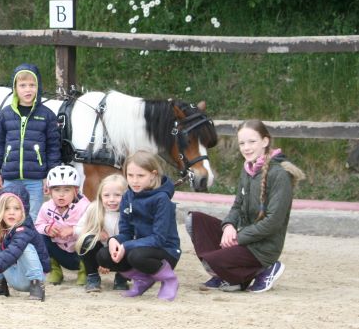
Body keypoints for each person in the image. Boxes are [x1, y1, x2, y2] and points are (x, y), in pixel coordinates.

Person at [187, 120, 305, 293]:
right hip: (244, 239)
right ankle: (233, 278)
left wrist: (238, 238)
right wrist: (228, 226)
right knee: (195, 220)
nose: (246, 148)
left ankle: (265, 269)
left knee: (212, 259)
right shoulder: (247, 170)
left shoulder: (280, 175)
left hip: (262, 248)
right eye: (242, 143)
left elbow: (273, 222)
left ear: (265, 142)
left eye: (252, 142)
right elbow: (237, 207)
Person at [96, 151, 181, 301]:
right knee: (104, 255)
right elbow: (126, 232)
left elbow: (159, 238)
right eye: (130, 175)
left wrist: (127, 246)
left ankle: (169, 280)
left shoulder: (162, 199)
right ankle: (143, 280)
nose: (134, 181)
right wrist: (114, 240)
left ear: (153, 175)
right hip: (142, 247)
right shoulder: (128, 196)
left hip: (166, 251)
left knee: (136, 255)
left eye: (140, 176)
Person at [0, 63, 61, 220]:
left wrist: (50, 175)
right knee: (8, 216)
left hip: (35, 179)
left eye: (32, 85)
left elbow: (53, 148)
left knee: (33, 217)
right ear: (15, 88)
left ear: (38, 87)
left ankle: (31, 245)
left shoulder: (47, 115)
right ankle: (9, 245)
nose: (28, 89)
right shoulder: (6, 114)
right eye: (22, 85)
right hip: (10, 177)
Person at [0, 182, 50, 301]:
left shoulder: (25, 229)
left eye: (16, 208)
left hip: (28, 278)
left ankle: (37, 286)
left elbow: (12, 252)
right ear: (0, 210)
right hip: (12, 274)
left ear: (24, 211)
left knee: (25, 247)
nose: (11, 212)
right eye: (6, 208)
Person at [35, 164, 90, 286]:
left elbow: (94, 229)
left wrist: (73, 230)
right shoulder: (46, 207)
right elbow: (38, 225)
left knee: (89, 239)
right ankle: (55, 270)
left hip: (81, 255)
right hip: (60, 252)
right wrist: (47, 228)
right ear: (49, 191)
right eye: (56, 189)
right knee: (39, 236)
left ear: (76, 191)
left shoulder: (85, 206)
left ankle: (84, 271)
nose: (61, 194)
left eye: (67, 190)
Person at [75, 173, 130, 292]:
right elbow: (77, 229)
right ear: (100, 196)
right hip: (100, 250)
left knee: (133, 246)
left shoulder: (130, 212)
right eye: (106, 195)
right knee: (87, 240)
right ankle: (92, 277)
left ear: (126, 196)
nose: (111, 199)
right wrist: (97, 233)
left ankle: (122, 277)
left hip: (122, 251)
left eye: (117, 195)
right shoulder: (94, 208)